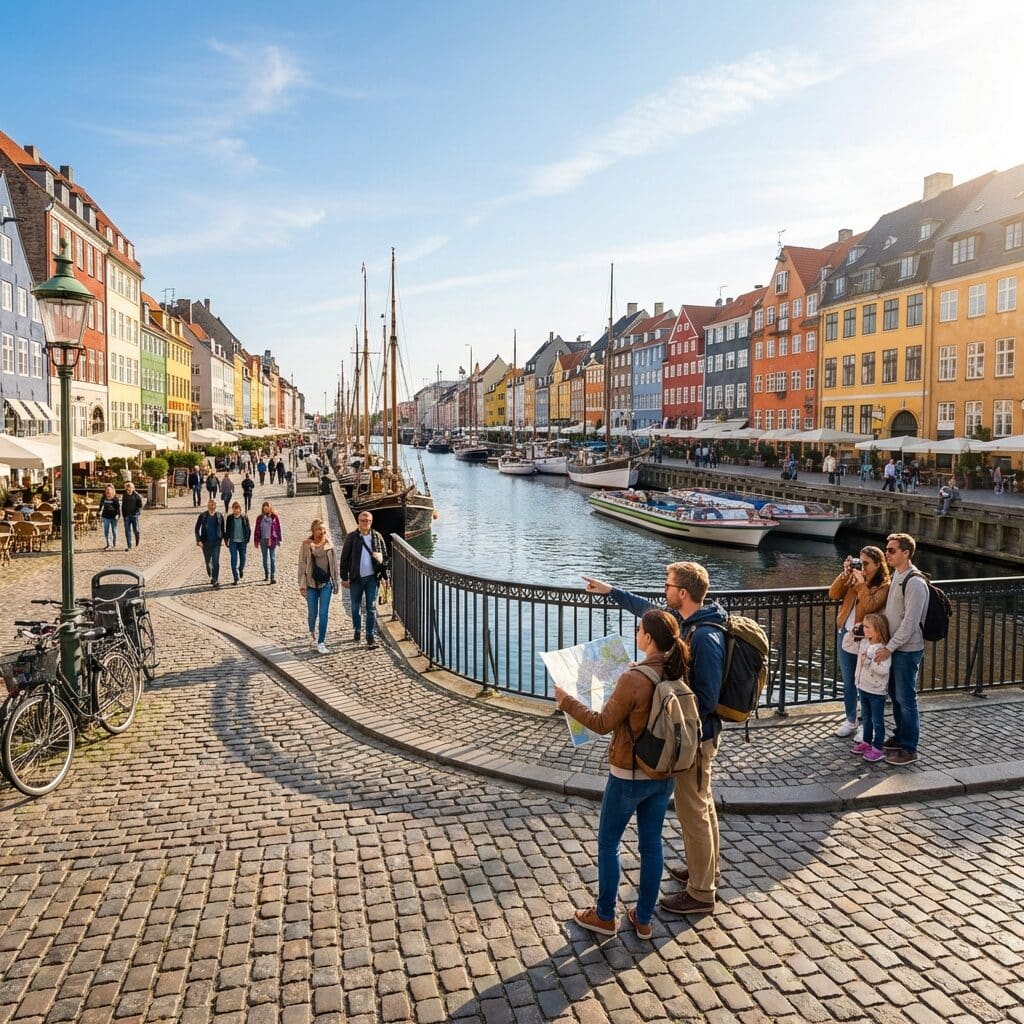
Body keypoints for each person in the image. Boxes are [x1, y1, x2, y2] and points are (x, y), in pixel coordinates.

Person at [582, 562, 725, 915]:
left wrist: (663, 699)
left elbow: (704, 699)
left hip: (694, 740)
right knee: (701, 806)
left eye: (669, 584)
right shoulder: (690, 623)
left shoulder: (704, 637)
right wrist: (611, 591)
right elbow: (652, 617)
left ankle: (701, 892)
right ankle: (702, 868)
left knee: (694, 812)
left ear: (683, 593)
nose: (664, 589)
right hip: (690, 738)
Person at [554, 610, 687, 940]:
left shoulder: (634, 679)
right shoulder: (676, 669)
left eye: (640, 629)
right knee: (652, 846)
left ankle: (604, 916)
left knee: (609, 842)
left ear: (649, 639)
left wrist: (566, 700)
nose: (637, 633)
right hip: (663, 773)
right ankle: (643, 920)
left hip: (628, 774)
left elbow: (601, 724)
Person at [876, 533, 929, 766]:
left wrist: (889, 647)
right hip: (896, 647)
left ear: (906, 553)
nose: (887, 553)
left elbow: (910, 623)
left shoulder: (915, 582)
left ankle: (909, 748)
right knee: (896, 697)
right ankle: (900, 737)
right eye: (887, 549)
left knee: (906, 699)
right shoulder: (897, 575)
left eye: (892, 550)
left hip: (907, 649)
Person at [828, 546, 890, 738]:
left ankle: (866, 723)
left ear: (878, 565)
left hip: (868, 639)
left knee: (865, 683)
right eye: (859, 562)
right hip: (846, 634)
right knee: (849, 682)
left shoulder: (884, 586)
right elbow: (833, 593)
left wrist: (862, 585)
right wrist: (844, 574)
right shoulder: (854, 579)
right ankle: (850, 720)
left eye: (866, 564)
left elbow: (870, 606)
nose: (861, 567)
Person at [340, 510, 387, 649]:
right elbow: (344, 558)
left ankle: (370, 635)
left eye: (368, 521)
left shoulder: (377, 537)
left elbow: (385, 557)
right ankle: (357, 629)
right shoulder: (352, 537)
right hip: (356, 578)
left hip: (372, 578)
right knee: (355, 607)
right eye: (362, 520)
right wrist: (344, 577)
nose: (365, 523)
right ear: (358, 522)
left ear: (371, 522)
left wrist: (385, 576)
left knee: (371, 607)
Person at [851, 613, 892, 763]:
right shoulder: (864, 643)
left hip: (876, 690)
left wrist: (868, 662)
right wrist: (853, 632)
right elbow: (848, 645)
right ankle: (866, 742)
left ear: (878, 630)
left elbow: (884, 670)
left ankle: (878, 747)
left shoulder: (882, 649)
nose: (864, 629)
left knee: (877, 720)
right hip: (863, 687)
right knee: (866, 718)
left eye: (867, 627)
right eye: (864, 626)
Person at [299, 518, 341, 655]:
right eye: (318, 529)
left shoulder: (329, 545)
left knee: (323, 613)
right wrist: (302, 584)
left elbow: (334, 565)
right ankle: (312, 634)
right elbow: (302, 565)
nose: (321, 532)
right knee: (313, 613)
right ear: (313, 530)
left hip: (326, 584)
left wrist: (336, 583)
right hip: (311, 584)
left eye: (323, 529)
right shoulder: (306, 545)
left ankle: (321, 642)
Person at [195, 499, 226, 588]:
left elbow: (222, 529)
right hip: (205, 543)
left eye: (213, 504)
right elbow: (197, 529)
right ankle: (211, 573)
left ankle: (215, 579)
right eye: (210, 504)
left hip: (216, 543)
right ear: (207, 505)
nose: (212, 505)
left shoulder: (219, 516)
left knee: (216, 562)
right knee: (208, 562)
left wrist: (224, 540)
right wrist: (198, 540)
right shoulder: (203, 516)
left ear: (216, 505)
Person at [253, 500, 282, 583]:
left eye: (267, 506)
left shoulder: (274, 517)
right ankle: (266, 573)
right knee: (265, 559)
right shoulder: (259, 518)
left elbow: (278, 528)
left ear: (270, 508)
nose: (266, 508)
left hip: (272, 539)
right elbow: (257, 529)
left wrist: (279, 539)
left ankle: (272, 576)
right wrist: (256, 540)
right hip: (263, 540)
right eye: (264, 507)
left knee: (272, 558)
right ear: (263, 508)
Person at [224, 500, 251, 585]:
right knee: (233, 559)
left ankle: (240, 569)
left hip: (242, 542)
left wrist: (247, 539)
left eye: (237, 508)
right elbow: (227, 530)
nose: (236, 510)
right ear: (232, 509)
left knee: (243, 559)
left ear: (240, 509)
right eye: (234, 508)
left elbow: (248, 529)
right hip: (233, 542)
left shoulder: (244, 517)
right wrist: (226, 540)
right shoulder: (230, 518)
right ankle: (235, 577)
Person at [121, 481, 144, 550]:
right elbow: (123, 506)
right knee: (127, 531)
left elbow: (140, 506)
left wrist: (137, 513)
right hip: (127, 516)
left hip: (134, 515)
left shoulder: (137, 496)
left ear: (133, 488)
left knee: (136, 530)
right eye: (127, 488)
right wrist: (124, 515)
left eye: (130, 487)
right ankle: (129, 545)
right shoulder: (124, 496)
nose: (129, 489)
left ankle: (137, 538)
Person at [99, 484, 120, 551]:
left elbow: (118, 509)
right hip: (105, 517)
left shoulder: (115, 499)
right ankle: (108, 544)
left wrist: (117, 515)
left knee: (114, 531)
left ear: (112, 491)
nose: (108, 491)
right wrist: (99, 512)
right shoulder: (104, 498)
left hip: (114, 517)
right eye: (107, 490)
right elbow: (100, 506)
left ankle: (114, 544)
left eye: (109, 490)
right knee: (106, 531)